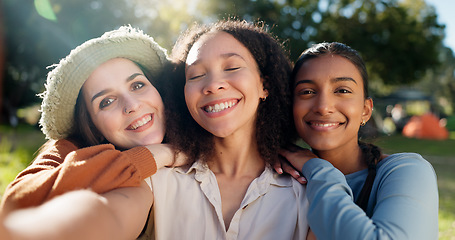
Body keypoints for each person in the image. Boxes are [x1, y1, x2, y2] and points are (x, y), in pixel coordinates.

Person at [0, 26, 182, 239]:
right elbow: (16, 205)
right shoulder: (70, 148)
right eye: (106, 101)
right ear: (90, 123)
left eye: (137, 85)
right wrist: (158, 154)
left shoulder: (196, 128)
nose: (131, 105)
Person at [136, 19, 308, 240]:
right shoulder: (156, 182)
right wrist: (162, 153)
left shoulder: (305, 193)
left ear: (264, 85)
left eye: (232, 68)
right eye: (196, 75)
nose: (213, 84)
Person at [279, 42, 439, 239]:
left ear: (366, 110)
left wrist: (319, 170)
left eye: (342, 90)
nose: (323, 106)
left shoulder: (408, 171)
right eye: (307, 92)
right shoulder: (283, 177)